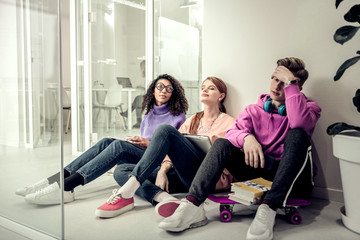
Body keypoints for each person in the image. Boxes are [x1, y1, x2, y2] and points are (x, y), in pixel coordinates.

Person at [158, 57, 322, 239]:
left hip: (294, 178)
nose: (277, 86)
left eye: (284, 83)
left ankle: (268, 208)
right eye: (275, 79)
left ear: (296, 87)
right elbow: (232, 134)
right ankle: (193, 205)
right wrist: (246, 138)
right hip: (260, 172)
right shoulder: (253, 110)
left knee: (297, 133)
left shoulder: (310, 108)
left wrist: (291, 83)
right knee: (222, 143)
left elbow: (299, 121)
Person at [16, 74, 188, 205]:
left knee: (118, 146)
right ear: (153, 89)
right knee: (107, 141)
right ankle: (52, 181)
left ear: (173, 93)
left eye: (168, 89)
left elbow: (172, 151)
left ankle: (66, 187)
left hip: (159, 161)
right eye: (160, 86)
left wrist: (147, 143)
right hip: (143, 154)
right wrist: (139, 142)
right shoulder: (149, 113)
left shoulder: (179, 117)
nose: (163, 91)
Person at [94, 77, 236, 218]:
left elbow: (230, 161)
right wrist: (162, 171)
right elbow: (172, 151)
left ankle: (126, 193)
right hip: (183, 177)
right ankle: (163, 198)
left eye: (211, 88)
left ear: (221, 96)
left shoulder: (230, 123)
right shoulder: (193, 120)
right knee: (121, 170)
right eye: (203, 87)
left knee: (165, 130)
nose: (205, 90)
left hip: (206, 180)